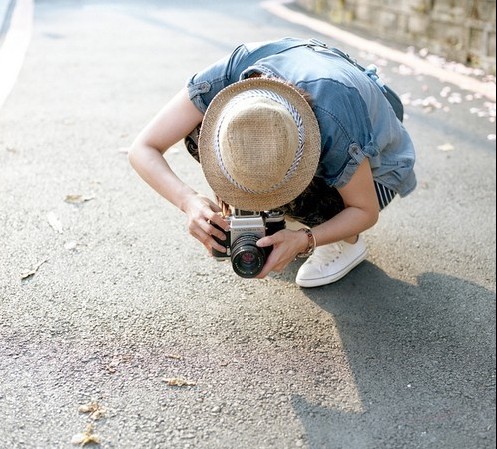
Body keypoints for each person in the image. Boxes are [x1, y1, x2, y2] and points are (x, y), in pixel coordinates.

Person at [128, 37, 416, 287]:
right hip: (327, 97)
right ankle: (284, 204)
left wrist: (305, 239)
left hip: (380, 169)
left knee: (339, 206)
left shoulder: (334, 120)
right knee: (194, 130)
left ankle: (346, 242)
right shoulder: (231, 72)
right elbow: (143, 147)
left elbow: (365, 210)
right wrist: (189, 201)